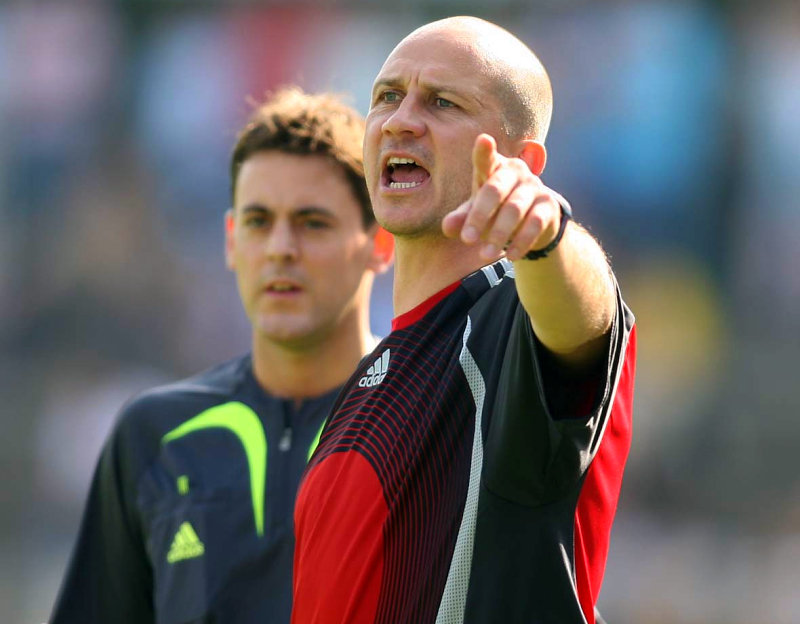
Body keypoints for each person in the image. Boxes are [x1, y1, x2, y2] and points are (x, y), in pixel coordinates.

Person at [292, 16, 636, 624]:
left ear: (522, 161)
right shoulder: (368, 380)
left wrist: (548, 237)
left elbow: (588, 321)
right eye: (387, 96)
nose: (400, 121)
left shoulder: (509, 324)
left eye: (442, 102)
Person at [49, 87, 393, 624]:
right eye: (259, 222)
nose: (281, 248)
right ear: (231, 241)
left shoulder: (428, 420)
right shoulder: (154, 436)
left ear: (381, 244)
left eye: (313, 223)